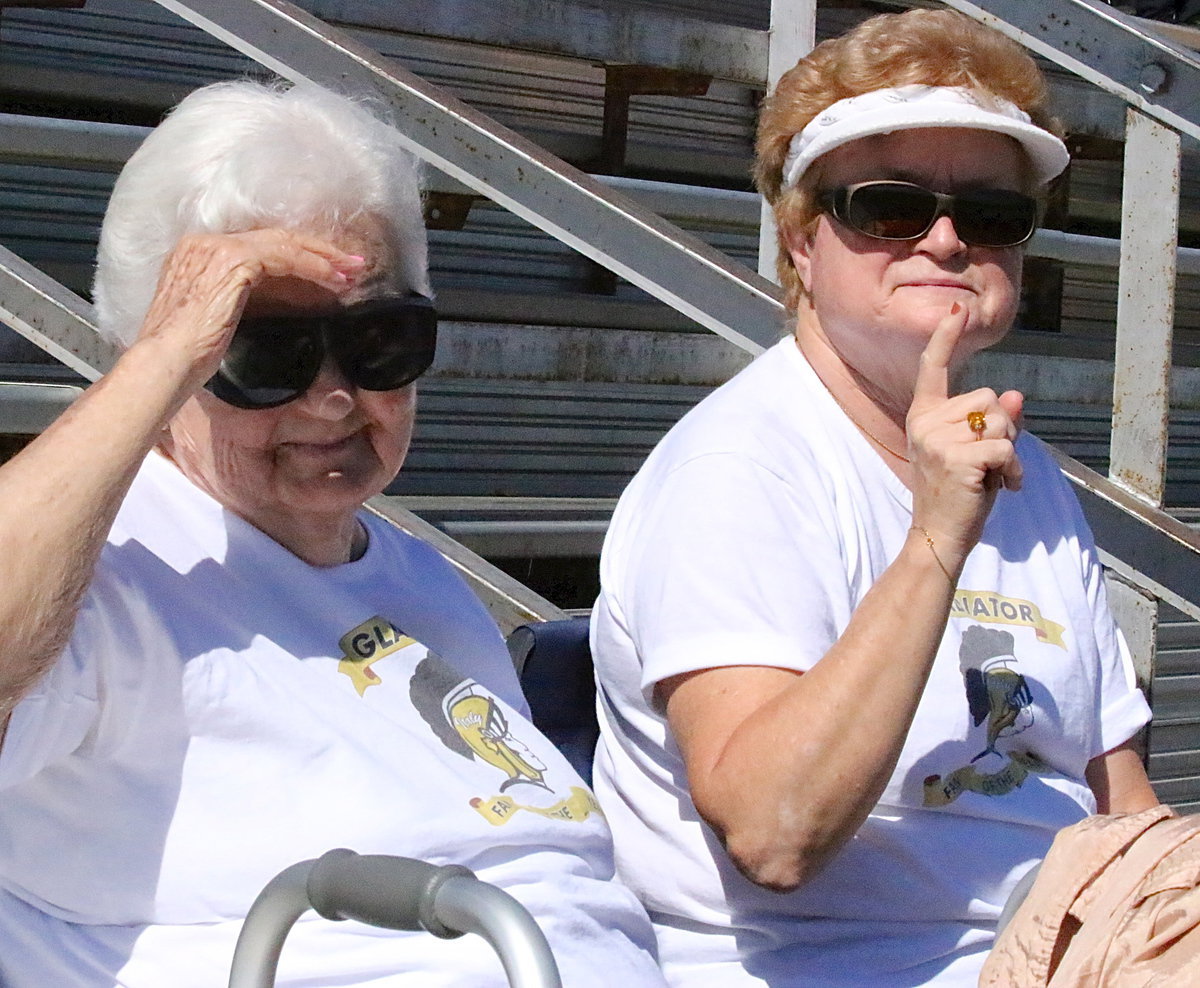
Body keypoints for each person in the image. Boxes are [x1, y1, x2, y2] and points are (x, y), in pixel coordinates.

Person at [0, 79, 666, 987]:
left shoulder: (417, 577)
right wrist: (160, 356)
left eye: (381, 339)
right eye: (264, 349)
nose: (335, 395)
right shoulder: (104, 578)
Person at [589, 9, 1160, 986]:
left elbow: (1123, 809)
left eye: (990, 216)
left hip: (1064, 942)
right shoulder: (741, 470)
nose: (944, 240)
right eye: (889, 207)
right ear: (802, 242)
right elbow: (774, 834)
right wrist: (934, 544)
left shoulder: (1032, 479)